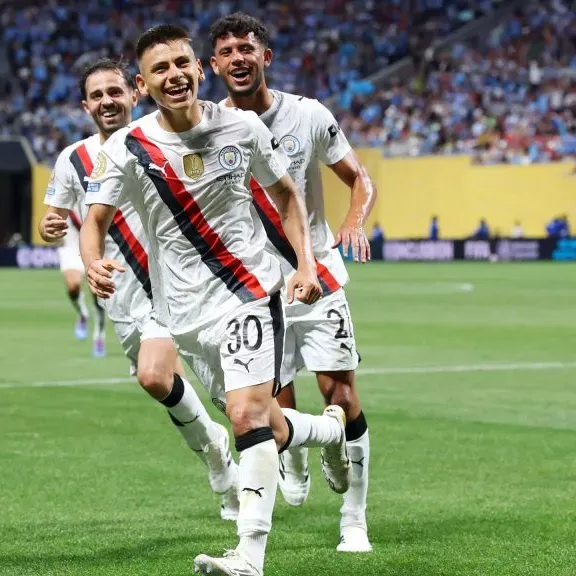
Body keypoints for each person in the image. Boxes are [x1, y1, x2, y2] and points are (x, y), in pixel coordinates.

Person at [80, 25, 351, 576]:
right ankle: (328, 431)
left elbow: (286, 196)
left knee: (246, 417)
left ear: (199, 69)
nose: (174, 75)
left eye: (182, 63)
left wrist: (304, 264)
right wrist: (91, 262)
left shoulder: (243, 127)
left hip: (249, 291)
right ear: (143, 85)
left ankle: (249, 554)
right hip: (182, 313)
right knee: (267, 424)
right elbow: (95, 221)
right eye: (160, 69)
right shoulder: (126, 146)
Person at [38, 58, 240, 520]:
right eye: (97, 95)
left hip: (182, 287)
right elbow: (55, 218)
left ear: (135, 91)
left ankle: (260, 453)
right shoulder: (74, 159)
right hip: (123, 297)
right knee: (163, 383)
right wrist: (49, 227)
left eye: (115, 91)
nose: (107, 101)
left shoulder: (161, 139)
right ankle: (219, 455)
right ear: (85, 105)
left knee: (181, 383)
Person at [210, 12, 375, 553]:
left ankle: (354, 521)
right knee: (270, 404)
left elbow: (359, 179)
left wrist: (354, 220)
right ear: (215, 65)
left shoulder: (307, 114)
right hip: (257, 290)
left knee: (342, 394)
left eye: (246, 48)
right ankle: (303, 448)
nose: (238, 58)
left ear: (266, 57)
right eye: (227, 51)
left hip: (318, 271)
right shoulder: (211, 128)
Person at [52, 175, 108, 350]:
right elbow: (51, 215)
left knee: (97, 293)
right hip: (70, 245)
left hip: (93, 245)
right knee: (73, 286)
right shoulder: (63, 190)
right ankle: (83, 313)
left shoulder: (98, 191)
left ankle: (99, 332)